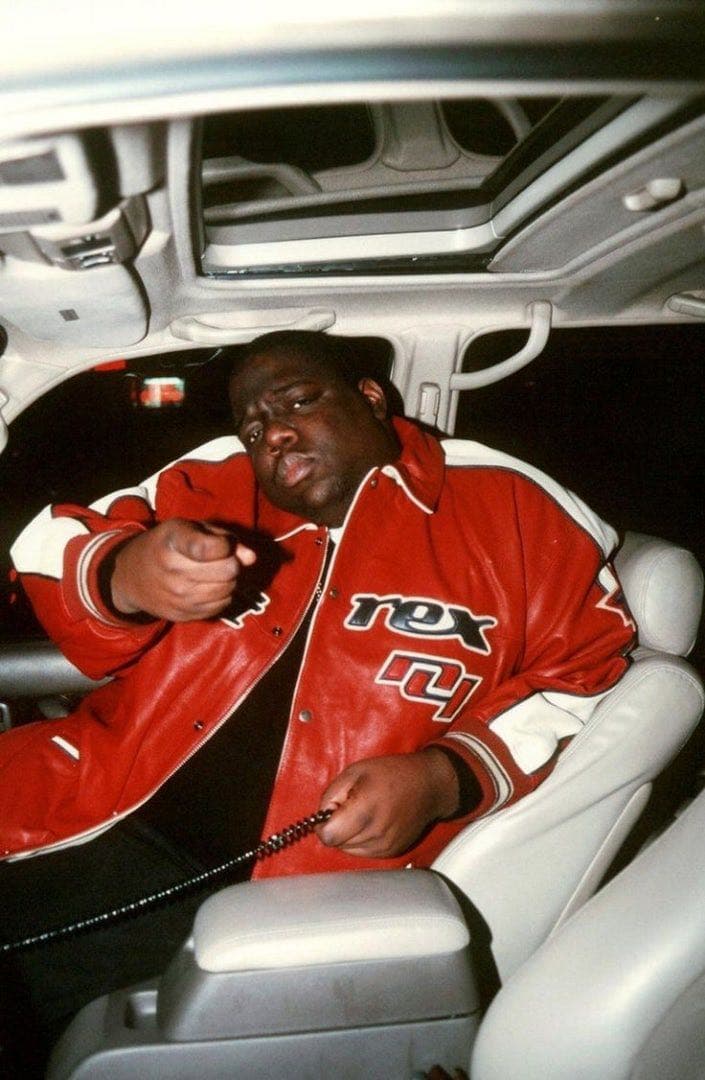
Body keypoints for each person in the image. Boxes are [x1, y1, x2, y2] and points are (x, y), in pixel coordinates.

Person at [0, 330, 635, 1069]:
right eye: (252, 426)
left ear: (370, 398)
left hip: (270, 894)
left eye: (299, 401)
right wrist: (126, 573)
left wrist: (443, 776)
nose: (270, 434)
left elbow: (586, 672)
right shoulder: (219, 482)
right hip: (80, 798)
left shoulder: (512, 507)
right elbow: (54, 544)